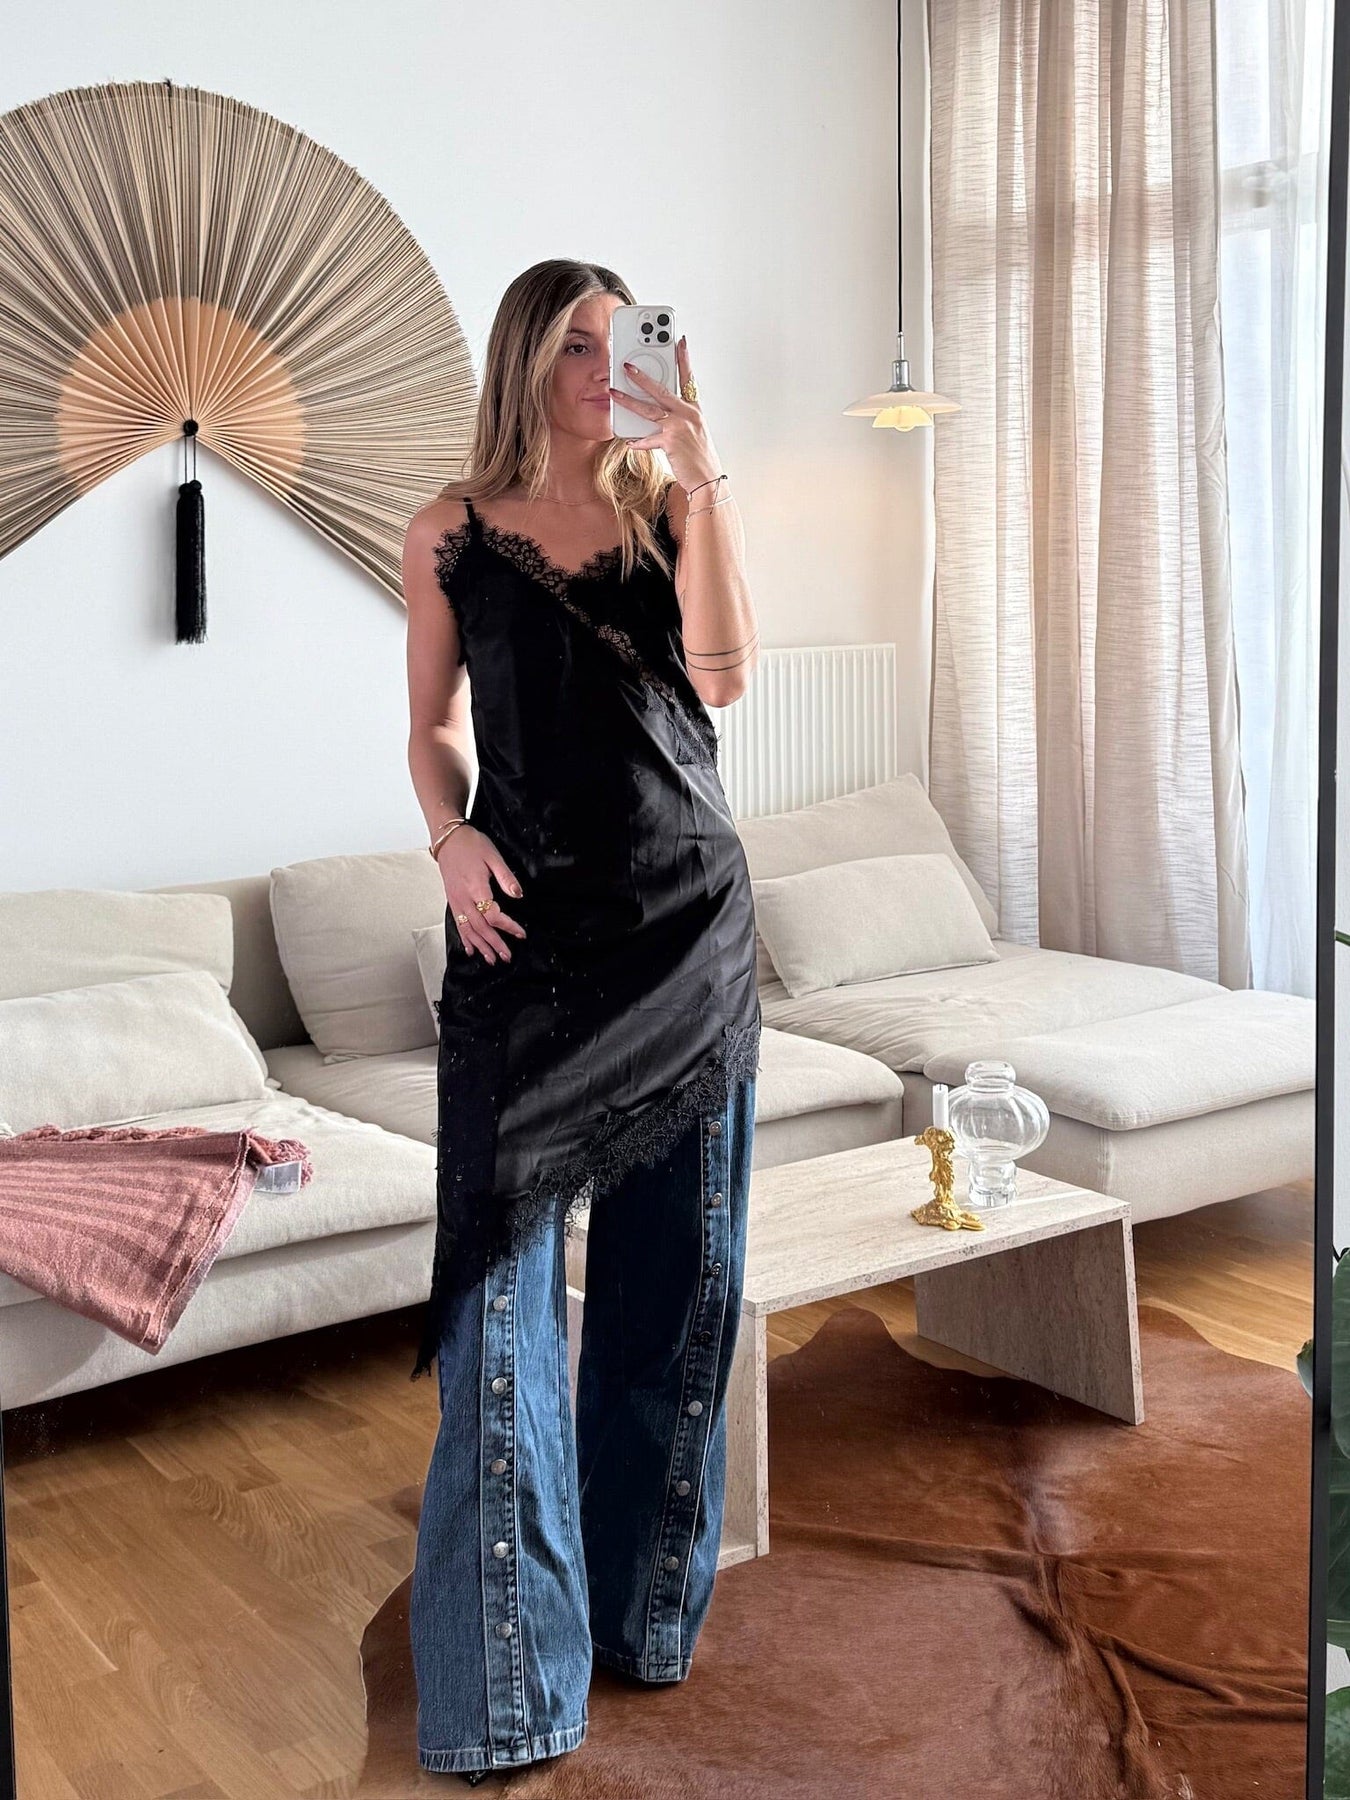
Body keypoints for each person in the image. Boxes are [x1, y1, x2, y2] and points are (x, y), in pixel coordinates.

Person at [400, 259, 762, 1783]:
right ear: (524, 361)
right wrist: (448, 835)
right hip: (523, 944)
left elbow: (723, 680)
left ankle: (638, 1620)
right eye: (575, 347)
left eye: (625, 343)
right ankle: (506, 1693)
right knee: (498, 1318)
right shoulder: (449, 528)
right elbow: (430, 727)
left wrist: (701, 472)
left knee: (675, 1293)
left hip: (687, 931)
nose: (603, 370)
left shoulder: (668, 507)